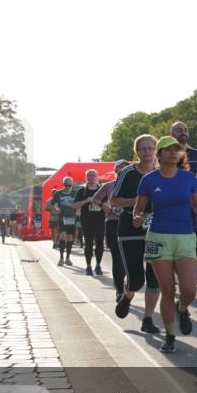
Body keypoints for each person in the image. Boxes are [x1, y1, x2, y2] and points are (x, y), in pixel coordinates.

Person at [133, 136, 197, 353]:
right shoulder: (149, 180)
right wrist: (137, 216)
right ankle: (170, 336)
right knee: (168, 290)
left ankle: (183, 309)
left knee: (190, 289)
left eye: (177, 150)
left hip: (185, 237)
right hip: (158, 238)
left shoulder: (189, 178)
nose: (173, 153)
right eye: (168, 150)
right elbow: (139, 207)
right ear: (159, 154)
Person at [113, 135, 162, 334]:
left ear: (156, 150)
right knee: (136, 279)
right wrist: (137, 201)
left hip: (156, 230)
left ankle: (148, 319)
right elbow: (114, 199)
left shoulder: (163, 173)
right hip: (130, 229)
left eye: (151, 148)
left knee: (154, 277)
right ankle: (128, 295)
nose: (147, 152)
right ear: (137, 151)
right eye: (143, 148)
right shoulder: (128, 173)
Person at [93, 160, 130, 297]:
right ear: (115, 170)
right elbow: (95, 199)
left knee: (128, 256)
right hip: (113, 222)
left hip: (130, 223)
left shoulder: (135, 184)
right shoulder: (109, 185)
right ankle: (119, 290)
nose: (123, 170)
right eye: (120, 168)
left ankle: (127, 283)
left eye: (126, 168)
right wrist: (103, 205)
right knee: (117, 256)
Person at [73, 170, 106, 275]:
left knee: (100, 243)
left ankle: (98, 265)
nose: (91, 177)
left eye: (93, 175)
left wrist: (99, 203)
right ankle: (88, 266)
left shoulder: (102, 190)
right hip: (87, 220)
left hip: (100, 220)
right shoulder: (82, 190)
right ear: (86, 177)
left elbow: (108, 204)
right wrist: (86, 200)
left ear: (97, 177)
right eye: (89, 175)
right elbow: (74, 206)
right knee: (88, 243)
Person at [52, 178, 79, 265]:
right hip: (62, 217)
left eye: (69, 185)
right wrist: (56, 210)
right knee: (63, 236)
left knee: (70, 237)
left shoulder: (75, 193)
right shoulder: (58, 193)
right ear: (63, 184)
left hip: (71, 218)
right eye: (66, 185)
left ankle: (68, 258)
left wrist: (71, 205)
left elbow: (78, 205)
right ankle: (61, 258)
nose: (67, 187)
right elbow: (52, 204)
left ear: (72, 184)